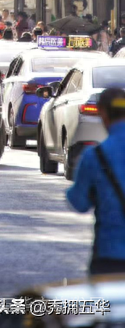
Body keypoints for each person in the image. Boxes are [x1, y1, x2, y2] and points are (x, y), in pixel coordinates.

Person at [67, 87, 125, 275]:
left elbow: (79, 203)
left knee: (108, 305)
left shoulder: (95, 156)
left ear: (103, 113)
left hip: (110, 255)